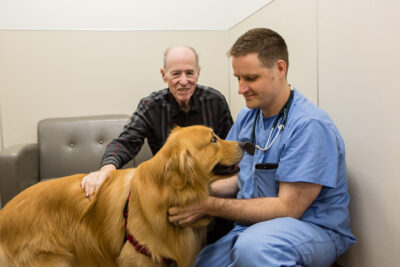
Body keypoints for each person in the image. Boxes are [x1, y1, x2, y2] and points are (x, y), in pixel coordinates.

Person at [168, 28, 357, 266]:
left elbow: (288, 208)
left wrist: (209, 205)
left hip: (309, 229)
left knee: (254, 248)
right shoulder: (249, 117)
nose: (240, 88)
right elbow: (245, 176)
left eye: (250, 78)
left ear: (280, 68)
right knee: (201, 262)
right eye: (238, 78)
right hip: (252, 228)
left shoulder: (309, 126)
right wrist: (200, 191)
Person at [81, 45, 233, 198]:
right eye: (176, 74)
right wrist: (106, 170)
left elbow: (231, 143)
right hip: (171, 190)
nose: (184, 81)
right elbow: (126, 142)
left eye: (189, 73)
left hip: (212, 188)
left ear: (198, 73)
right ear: (164, 75)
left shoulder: (216, 101)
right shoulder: (150, 106)